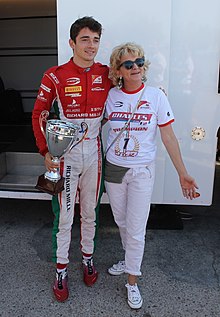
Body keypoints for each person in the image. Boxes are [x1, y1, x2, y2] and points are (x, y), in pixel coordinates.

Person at [103, 42, 199, 309]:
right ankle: (128, 259)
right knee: (121, 221)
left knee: (136, 229)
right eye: (129, 64)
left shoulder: (156, 96)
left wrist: (183, 173)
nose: (136, 67)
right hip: (114, 169)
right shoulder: (110, 97)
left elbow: (168, 136)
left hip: (142, 171)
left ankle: (132, 281)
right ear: (118, 70)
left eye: (140, 62)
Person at [32, 16, 112, 302]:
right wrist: (45, 151)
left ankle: (88, 258)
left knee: (90, 212)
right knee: (65, 216)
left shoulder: (107, 72)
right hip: (66, 154)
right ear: (72, 42)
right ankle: (61, 269)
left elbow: (132, 83)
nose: (91, 45)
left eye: (96, 39)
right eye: (85, 39)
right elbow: (38, 113)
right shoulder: (55, 74)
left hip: (94, 153)